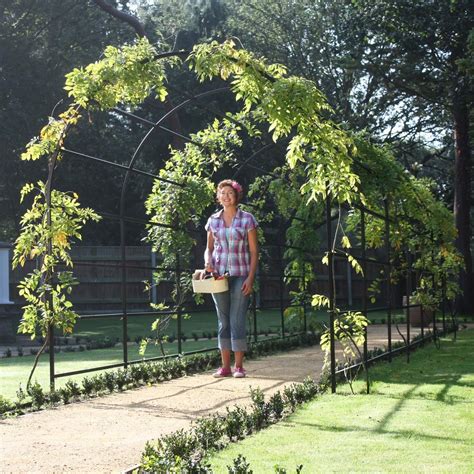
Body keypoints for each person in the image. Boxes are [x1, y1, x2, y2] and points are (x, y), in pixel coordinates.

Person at [204, 179, 258, 378]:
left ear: (236, 196)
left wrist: (250, 279)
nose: (226, 196)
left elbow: (254, 252)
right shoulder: (213, 220)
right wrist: (208, 262)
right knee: (223, 321)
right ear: (218, 197)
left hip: (240, 275)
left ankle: (239, 367)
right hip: (218, 277)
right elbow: (208, 248)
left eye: (230, 193)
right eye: (222, 193)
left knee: (237, 320)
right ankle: (225, 367)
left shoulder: (247, 219)